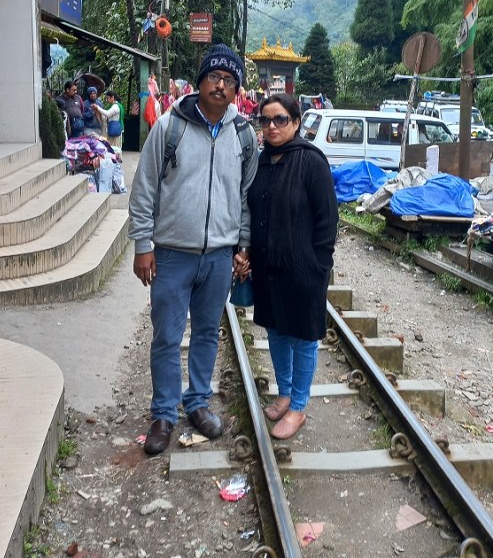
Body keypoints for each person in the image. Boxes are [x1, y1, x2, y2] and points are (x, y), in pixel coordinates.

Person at [129, 44, 259, 456]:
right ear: (200, 80)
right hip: (170, 253)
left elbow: (245, 195)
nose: (220, 85)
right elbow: (144, 188)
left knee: (206, 331)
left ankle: (197, 402)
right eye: (214, 77)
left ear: (237, 88)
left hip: (219, 255)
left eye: (229, 80)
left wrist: (242, 244)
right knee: (167, 335)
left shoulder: (243, 134)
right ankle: (164, 413)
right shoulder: (170, 127)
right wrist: (142, 244)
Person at [246, 93, 338, 440]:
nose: (271, 126)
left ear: (296, 123)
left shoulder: (312, 162)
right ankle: (285, 393)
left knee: (302, 339)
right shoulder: (261, 162)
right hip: (268, 266)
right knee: (276, 331)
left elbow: (328, 220)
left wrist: (319, 267)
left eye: (280, 119)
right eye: (265, 120)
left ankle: (298, 407)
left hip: (303, 270)